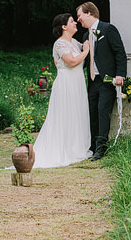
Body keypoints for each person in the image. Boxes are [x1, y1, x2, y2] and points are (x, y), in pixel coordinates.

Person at [32, 13, 92, 169]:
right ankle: (63, 150)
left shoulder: (74, 42)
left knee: (75, 114)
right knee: (64, 115)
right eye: (72, 22)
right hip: (66, 83)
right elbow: (72, 62)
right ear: (64, 26)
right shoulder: (60, 44)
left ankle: (75, 148)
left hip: (77, 83)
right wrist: (85, 51)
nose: (75, 24)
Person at [76, 1, 127, 161]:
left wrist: (120, 75)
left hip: (108, 80)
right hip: (92, 80)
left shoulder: (108, 29)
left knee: (103, 111)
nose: (78, 20)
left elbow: (120, 53)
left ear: (89, 13)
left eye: (79, 16)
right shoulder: (85, 36)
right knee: (91, 112)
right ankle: (91, 146)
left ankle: (101, 147)